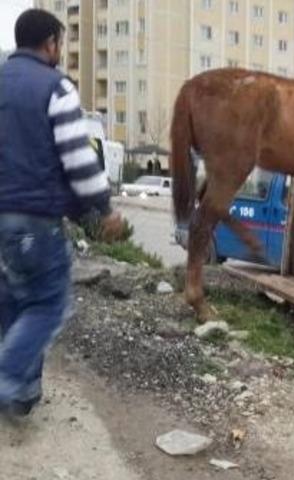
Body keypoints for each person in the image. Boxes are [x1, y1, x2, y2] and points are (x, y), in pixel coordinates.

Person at [0, 9, 123, 417]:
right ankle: (7, 379)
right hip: (33, 220)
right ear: (51, 43)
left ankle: (22, 393)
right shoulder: (55, 87)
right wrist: (101, 208)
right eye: (60, 43)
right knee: (47, 304)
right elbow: (77, 158)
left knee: (14, 301)